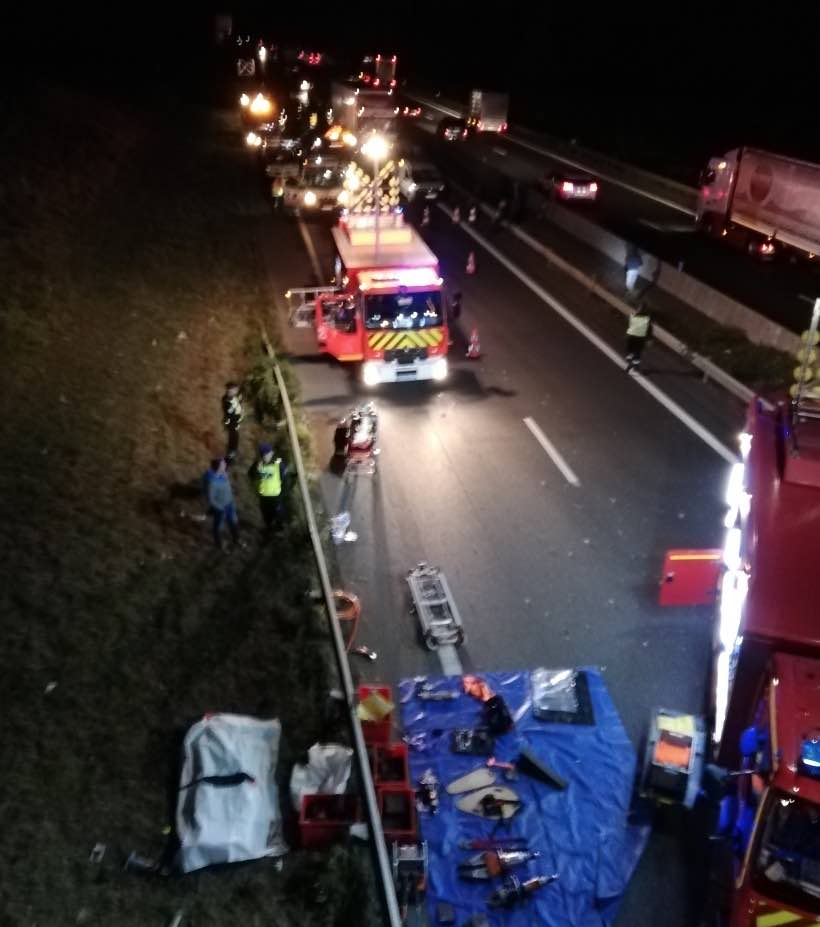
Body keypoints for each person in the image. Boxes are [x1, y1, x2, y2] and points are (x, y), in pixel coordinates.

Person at [203, 458, 241, 550]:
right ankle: (219, 545)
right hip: (220, 507)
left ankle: (236, 540)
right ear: (218, 467)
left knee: (233, 522)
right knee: (218, 526)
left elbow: (227, 488)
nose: (225, 466)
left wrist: (231, 500)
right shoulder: (211, 481)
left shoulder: (223, 475)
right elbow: (210, 498)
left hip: (229, 504)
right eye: (223, 465)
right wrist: (219, 508)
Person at [248, 442, 287, 532]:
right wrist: (256, 470)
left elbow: (285, 481)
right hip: (264, 497)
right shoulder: (259, 464)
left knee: (279, 516)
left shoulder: (279, 464)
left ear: (271, 453)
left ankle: (280, 531)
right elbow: (251, 475)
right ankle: (269, 530)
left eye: (266, 454)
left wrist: (282, 496)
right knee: (267, 517)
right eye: (262, 455)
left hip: (276, 498)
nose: (264, 457)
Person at [625, 304, 652, 372]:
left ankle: (632, 363)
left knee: (633, 351)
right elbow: (649, 329)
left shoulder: (634, 316)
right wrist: (649, 339)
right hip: (640, 338)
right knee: (637, 353)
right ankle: (633, 365)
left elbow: (630, 324)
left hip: (633, 337)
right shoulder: (646, 319)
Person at [221, 382, 244, 463]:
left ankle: (232, 453)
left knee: (235, 438)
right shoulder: (226, 401)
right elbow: (231, 414)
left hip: (235, 422)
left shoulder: (235, 397)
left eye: (236, 390)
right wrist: (238, 419)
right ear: (229, 391)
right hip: (232, 423)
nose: (235, 391)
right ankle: (229, 457)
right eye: (233, 390)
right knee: (233, 439)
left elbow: (238, 402)